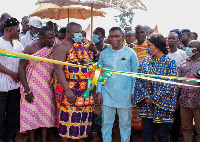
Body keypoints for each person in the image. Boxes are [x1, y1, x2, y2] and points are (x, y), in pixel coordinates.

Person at [96, 27, 139, 142]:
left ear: (122, 37)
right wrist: (99, 91)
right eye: (111, 36)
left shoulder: (130, 53)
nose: (113, 39)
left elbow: (135, 75)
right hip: (107, 93)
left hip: (125, 94)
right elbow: (99, 73)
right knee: (106, 123)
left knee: (125, 124)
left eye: (117, 36)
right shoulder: (104, 54)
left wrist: (133, 92)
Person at [53, 22, 94, 141]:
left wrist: (93, 50)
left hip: (85, 92)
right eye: (77, 32)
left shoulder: (83, 46)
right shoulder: (61, 47)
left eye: (81, 32)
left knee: (81, 121)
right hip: (69, 91)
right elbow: (58, 69)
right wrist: (67, 90)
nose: (80, 34)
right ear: (69, 33)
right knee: (66, 120)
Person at [133, 34, 177, 142]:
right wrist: (146, 97)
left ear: (157, 46)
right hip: (147, 104)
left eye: (149, 45)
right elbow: (139, 81)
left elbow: (170, 84)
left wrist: (153, 98)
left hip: (163, 104)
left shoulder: (170, 62)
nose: (147, 48)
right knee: (148, 132)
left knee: (163, 134)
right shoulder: (145, 61)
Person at [18, 26, 58, 142]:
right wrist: (27, 90)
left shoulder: (53, 45)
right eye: (49, 38)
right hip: (31, 86)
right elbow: (21, 68)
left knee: (45, 114)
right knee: (31, 114)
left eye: (53, 36)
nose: (52, 40)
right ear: (41, 38)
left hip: (46, 86)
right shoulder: (30, 48)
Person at [0, 17, 23, 142]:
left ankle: (10, 138)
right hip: (2, 86)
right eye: (17, 30)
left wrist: (18, 74)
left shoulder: (19, 44)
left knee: (13, 115)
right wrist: (11, 74)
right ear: (9, 29)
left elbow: (22, 63)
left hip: (15, 86)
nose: (19, 32)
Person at [177, 40, 200, 142]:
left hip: (198, 102)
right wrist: (176, 99)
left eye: (191, 47)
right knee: (186, 128)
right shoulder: (183, 64)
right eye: (188, 47)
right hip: (184, 102)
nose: (188, 49)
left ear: (197, 49)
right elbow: (179, 84)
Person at [167, 32, 188, 142]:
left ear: (178, 40)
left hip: (178, 92)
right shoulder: (164, 54)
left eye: (173, 38)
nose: (170, 40)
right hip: (165, 92)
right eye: (169, 38)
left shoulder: (182, 54)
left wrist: (177, 96)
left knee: (176, 121)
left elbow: (184, 74)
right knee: (165, 121)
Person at [131, 25, 148, 135]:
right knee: (132, 111)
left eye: (142, 32)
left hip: (146, 86)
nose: (140, 34)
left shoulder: (150, 48)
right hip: (132, 85)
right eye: (138, 32)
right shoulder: (131, 49)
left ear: (146, 33)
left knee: (146, 114)